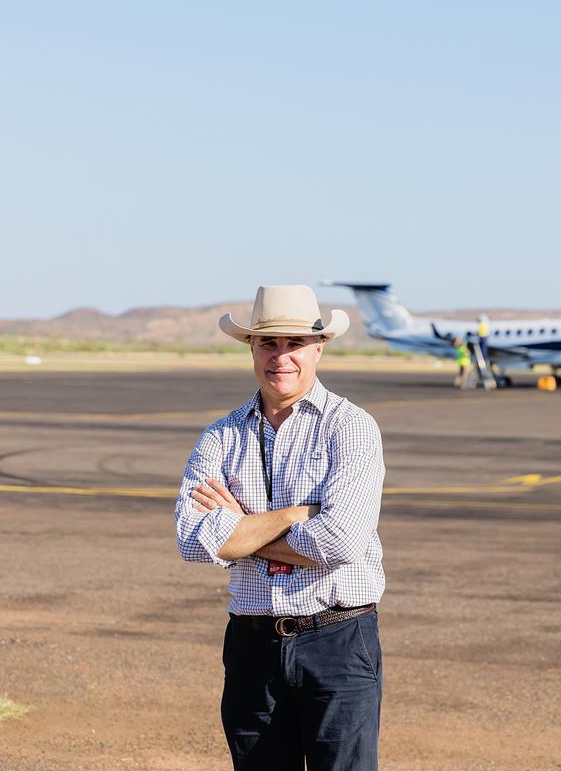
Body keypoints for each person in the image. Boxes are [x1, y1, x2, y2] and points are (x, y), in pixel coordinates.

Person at [175, 284, 386, 771]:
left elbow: (343, 540)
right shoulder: (221, 436)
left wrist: (238, 532)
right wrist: (298, 515)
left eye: (295, 343)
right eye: (269, 343)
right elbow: (192, 539)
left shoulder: (350, 428)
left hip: (337, 640)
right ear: (251, 347)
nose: (281, 356)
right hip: (253, 644)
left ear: (319, 348)